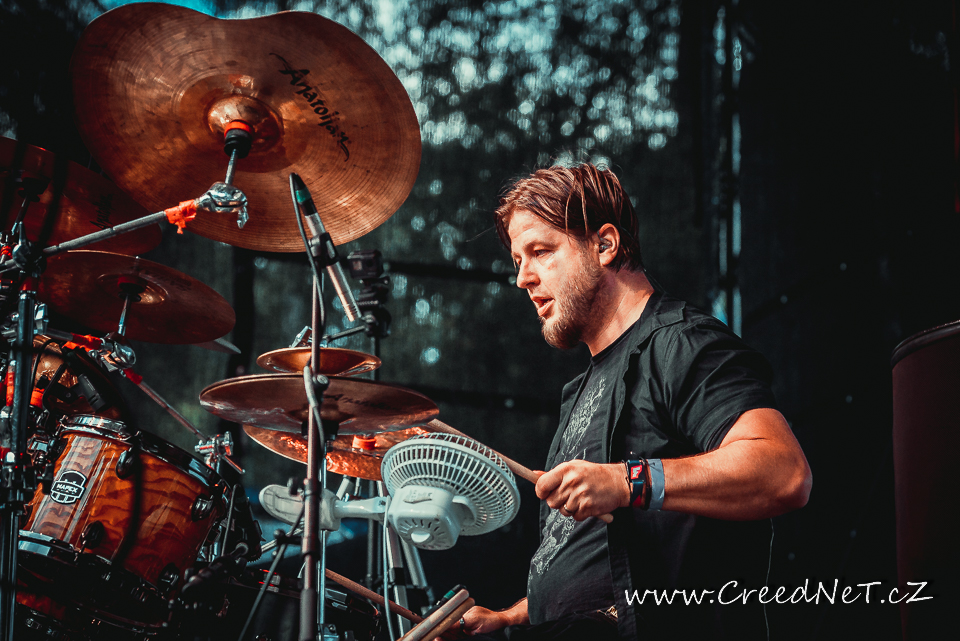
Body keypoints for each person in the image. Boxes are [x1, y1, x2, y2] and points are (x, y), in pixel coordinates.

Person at [459, 163, 812, 640]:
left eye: (541, 251)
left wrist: (627, 480)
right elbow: (595, 568)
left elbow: (783, 471)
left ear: (605, 245)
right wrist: (511, 617)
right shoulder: (580, 391)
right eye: (518, 260)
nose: (523, 277)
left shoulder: (680, 343)